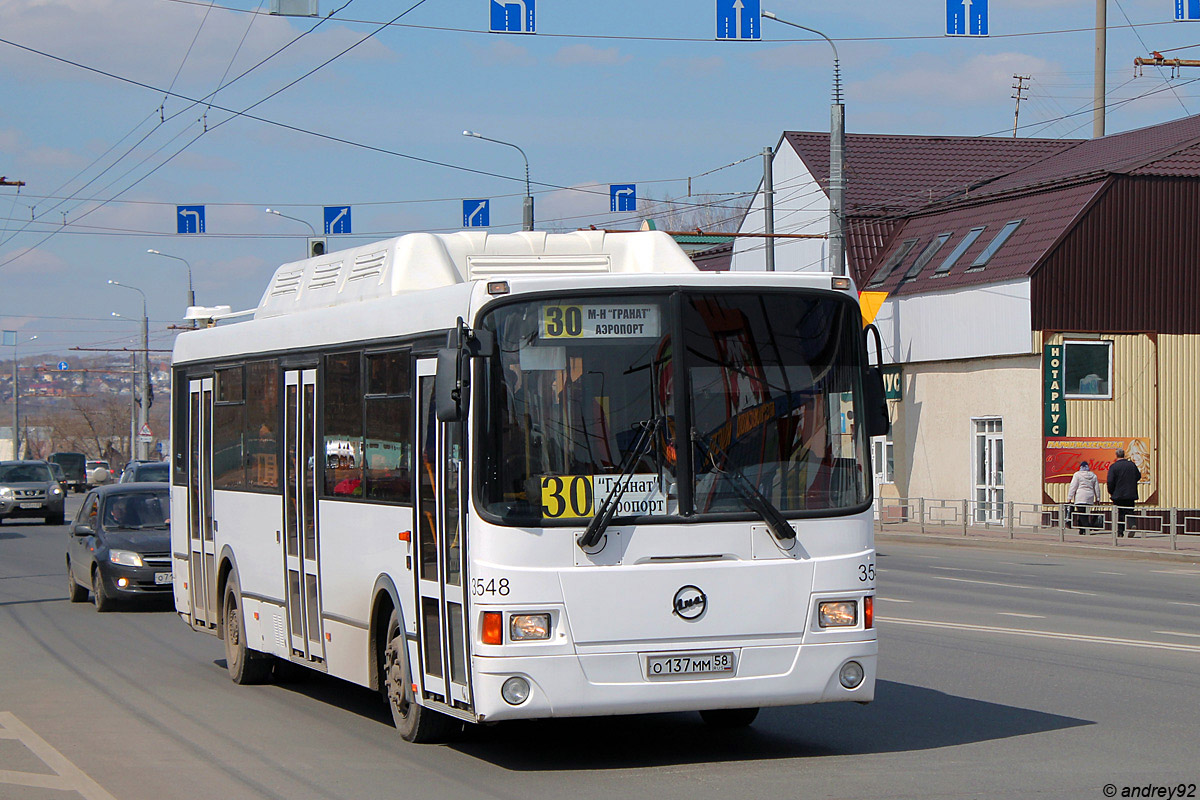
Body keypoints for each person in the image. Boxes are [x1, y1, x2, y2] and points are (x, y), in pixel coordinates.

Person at [1106, 448, 1141, 538]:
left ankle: (1120, 532)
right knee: (1130, 510)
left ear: (1116, 455)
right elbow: (1138, 476)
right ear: (1124, 455)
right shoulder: (1131, 465)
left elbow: (1110, 481)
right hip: (1130, 493)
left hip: (1118, 494)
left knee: (1120, 513)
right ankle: (1132, 524)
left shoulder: (1114, 467)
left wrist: (1111, 492)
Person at [1066, 461, 1099, 534]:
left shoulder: (1077, 475)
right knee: (1085, 514)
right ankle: (1082, 530)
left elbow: (1073, 486)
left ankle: (1087, 527)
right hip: (1090, 497)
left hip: (1080, 496)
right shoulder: (1093, 475)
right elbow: (1096, 488)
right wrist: (1098, 498)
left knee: (1081, 513)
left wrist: (1069, 497)